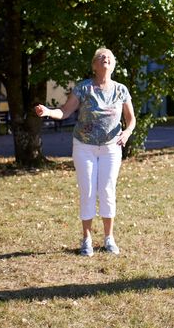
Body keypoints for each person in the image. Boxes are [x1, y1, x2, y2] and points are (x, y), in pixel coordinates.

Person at [35, 48, 136, 257]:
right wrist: (47, 112)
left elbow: (131, 118)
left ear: (114, 64)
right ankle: (87, 239)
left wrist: (126, 132)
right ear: (94, 65)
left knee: (107, 191)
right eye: (101, 57)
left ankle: (109, 238)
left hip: (111, 148)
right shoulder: (84, 88)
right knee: (88, 191)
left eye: (109, 56)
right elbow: (65, 111)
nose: (105, 58)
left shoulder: (121, 90)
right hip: (84, 147)